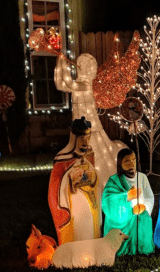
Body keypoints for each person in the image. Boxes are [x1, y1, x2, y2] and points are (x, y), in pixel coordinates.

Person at [54, 53, 126, 193]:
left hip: (90, 127)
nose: (94, 71)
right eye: (92, 67)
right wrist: (60, 64)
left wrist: (63, 64)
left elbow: (67, 83)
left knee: (97, 155)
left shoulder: (84, 84)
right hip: (81, 128)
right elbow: (61, 84)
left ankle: (99, 183)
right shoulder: (80, 83)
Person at [48, 117, 100, 245]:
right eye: (82, 139)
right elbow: (54, 189)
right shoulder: (62, 158)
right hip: (73, 206)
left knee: (90, 231)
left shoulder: (89, 154)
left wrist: (92, 178)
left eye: (87, 138)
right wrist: (71, 181)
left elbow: (95, 178)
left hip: (91, 203)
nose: (85, 142)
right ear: (74, 138)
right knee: (78, 233)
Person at [101, 148, 155, 256]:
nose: (132, 164)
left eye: (134, 160)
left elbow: (149, 197)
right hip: (122, 218)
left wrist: (144, 207)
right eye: (127, 161)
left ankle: (143, 249)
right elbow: (107, 200)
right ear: (120, 163)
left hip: (139, 211)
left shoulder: (142, 177)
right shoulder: (114, 180)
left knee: (143, 218)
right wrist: (127, 196)